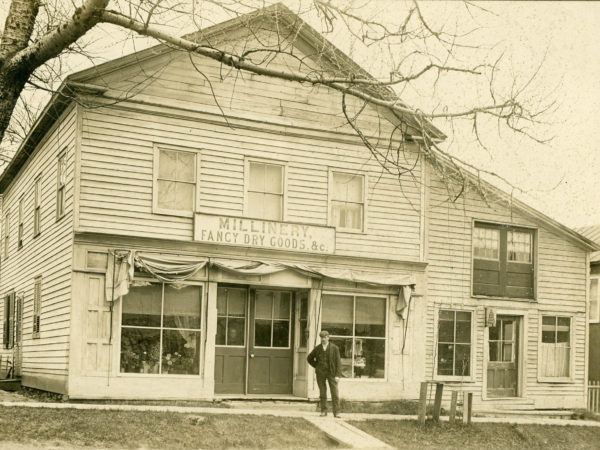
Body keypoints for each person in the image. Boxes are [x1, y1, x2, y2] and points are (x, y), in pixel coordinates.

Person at [307, 330, 342, 417]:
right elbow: (309, 358)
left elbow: (338, 362)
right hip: (320, 373)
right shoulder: (317, 348)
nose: (323, 339)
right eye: (322, 337)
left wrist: (337, 375)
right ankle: (323, 411)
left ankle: (336, 412)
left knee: (335, 392)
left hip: (332, 373)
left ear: (328, 338)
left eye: (325, 337)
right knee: (322, 392)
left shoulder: (335, 348)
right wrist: (317, 366)